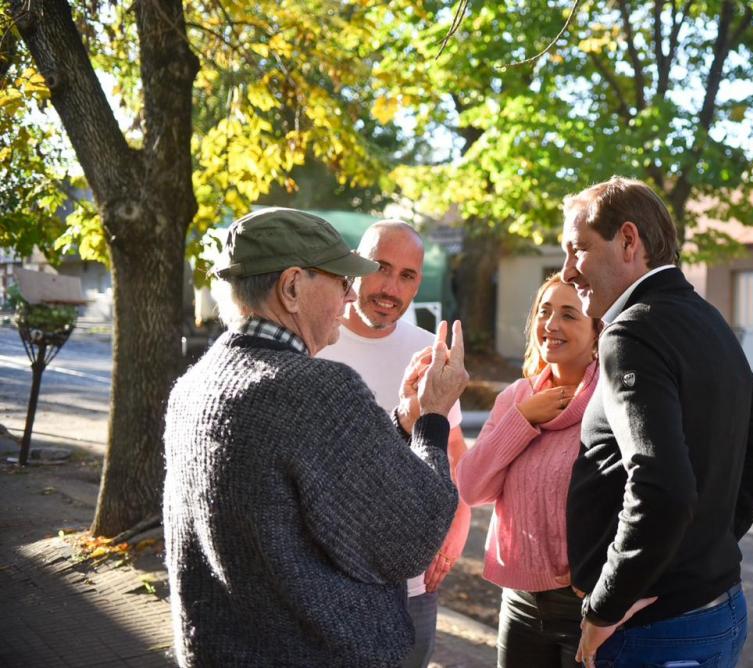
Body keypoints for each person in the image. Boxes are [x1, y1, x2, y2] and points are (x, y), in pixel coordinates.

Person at [162, 207, 468, 667]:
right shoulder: (316, 388)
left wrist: (404, 418)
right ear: (291, 288)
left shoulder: (194, 384)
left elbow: (305, 471)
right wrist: (433, 418)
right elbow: (414, 536)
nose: (349, 296)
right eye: (340, 280)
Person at [559, 178, 753, 667]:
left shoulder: (631, 330)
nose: (567, 271)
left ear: (628, 241)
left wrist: (605, 606)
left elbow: (662, 485)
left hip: (654, 630)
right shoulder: (704, 316)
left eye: (577, 250)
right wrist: (709, 542)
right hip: (714, 609)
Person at [316, 220, 470, 668]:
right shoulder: (315, 340)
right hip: (328, 578)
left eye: (407, 276)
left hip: (411, 581)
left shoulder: (428, 349)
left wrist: (454, 532)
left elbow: (454, 449)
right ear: (354, 264)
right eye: (380, 268)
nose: (390, 288)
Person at [456, 273, 601, 667]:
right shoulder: (516, 398)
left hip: (586, 606)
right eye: (544, 311)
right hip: (520, 601)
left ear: (597, 331)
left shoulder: (610, 402)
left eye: (569, 315)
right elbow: (471, 488)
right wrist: (521, 419)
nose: (551, 325)